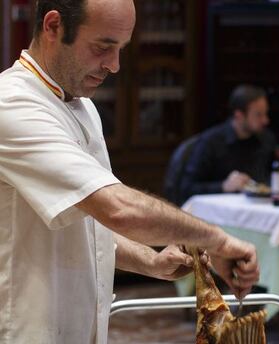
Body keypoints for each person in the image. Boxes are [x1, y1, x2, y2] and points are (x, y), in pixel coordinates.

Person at [0, 1, 259, 343]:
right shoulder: (12, 103)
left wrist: (150, 262)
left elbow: (89, 223)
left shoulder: (83, 106)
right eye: (103, 47)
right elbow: (118, 209)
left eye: (121, 50)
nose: (115, 65)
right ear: (53, 27)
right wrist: (218, 240)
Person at [180, 84, 277, 201]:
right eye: (258, 115)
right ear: (239, 116)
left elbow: (273, 176)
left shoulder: (267, 139)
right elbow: (186, 188)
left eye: (265, 113)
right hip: (217, 214)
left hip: (259, 208)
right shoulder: (211, 142)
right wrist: (223, 186)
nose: (265, 120)